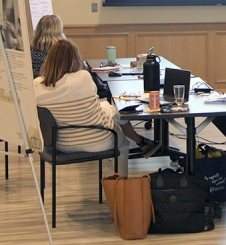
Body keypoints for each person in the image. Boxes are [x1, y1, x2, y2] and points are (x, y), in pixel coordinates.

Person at [34, 40, 161, 176]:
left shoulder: (36, 85)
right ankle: (122, 180)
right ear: (75, 59)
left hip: (62, 144)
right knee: (120, 135)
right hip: (98, 141)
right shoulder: (83, 77)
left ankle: (142, 142)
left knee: (108, 108)